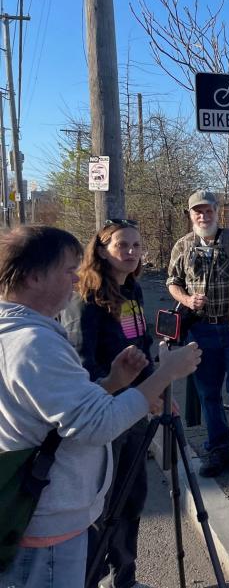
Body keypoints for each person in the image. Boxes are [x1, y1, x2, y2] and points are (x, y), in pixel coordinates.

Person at [0, 226, 200, 588]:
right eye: (66, 270)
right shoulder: (33, 342)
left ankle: (123, 577)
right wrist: (167, 374)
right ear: (32, 276)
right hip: (49, 520)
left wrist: (113, 383)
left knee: (129, 500)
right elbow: (97, 423)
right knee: (107, 514)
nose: (75, 277)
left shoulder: (29, 330)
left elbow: (61, 401)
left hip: (54, 510)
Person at [60, 220, 155, 588]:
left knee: (132, 499)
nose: (130, 252)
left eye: (135, 245)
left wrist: (156, 392)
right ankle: (90, 578)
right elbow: (83, 366)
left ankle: (125, 579)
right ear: (101, 249)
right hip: (105, 414)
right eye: (122, 245)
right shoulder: (86, 298)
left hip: (135, 410)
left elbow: (142, 348)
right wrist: (121, 389)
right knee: (102, 505)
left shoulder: (133, 290)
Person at [167, 189, 229, 477]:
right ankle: (219, 447)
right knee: (209, 393)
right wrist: (187, 300)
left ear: (218, 211)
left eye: (208, 210)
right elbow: (173, 282)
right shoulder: (182, 246)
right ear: (190, 215)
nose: (203, 216)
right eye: (197, 211)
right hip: (201, 329)